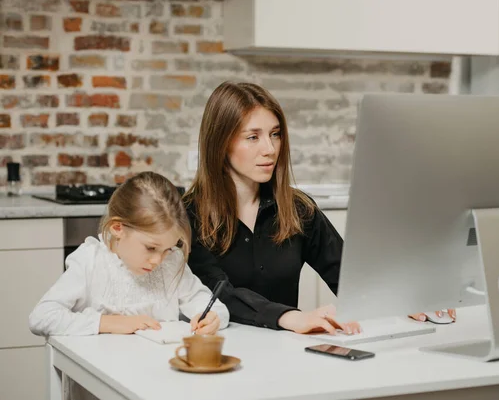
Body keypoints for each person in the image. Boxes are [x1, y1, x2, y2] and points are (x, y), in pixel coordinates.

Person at [184, 81, 454, 336]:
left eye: (275, 134)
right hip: (218, 356)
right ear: (221, 144)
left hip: (285, 353)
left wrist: (406, 301)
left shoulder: (298, 209)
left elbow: (348, 277)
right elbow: (218, 294)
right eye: (253, 137)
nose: (269, 148)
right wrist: (292, 317)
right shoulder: (189, 215)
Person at [29, 171, 229, 337]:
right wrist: (109, 323)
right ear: (118, 228)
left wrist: (212, 317)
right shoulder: (91, 261)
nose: (158, 260)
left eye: (167, 249)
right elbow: (41, 317)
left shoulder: (171, 263)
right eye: (150, 248)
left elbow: (213, 307)